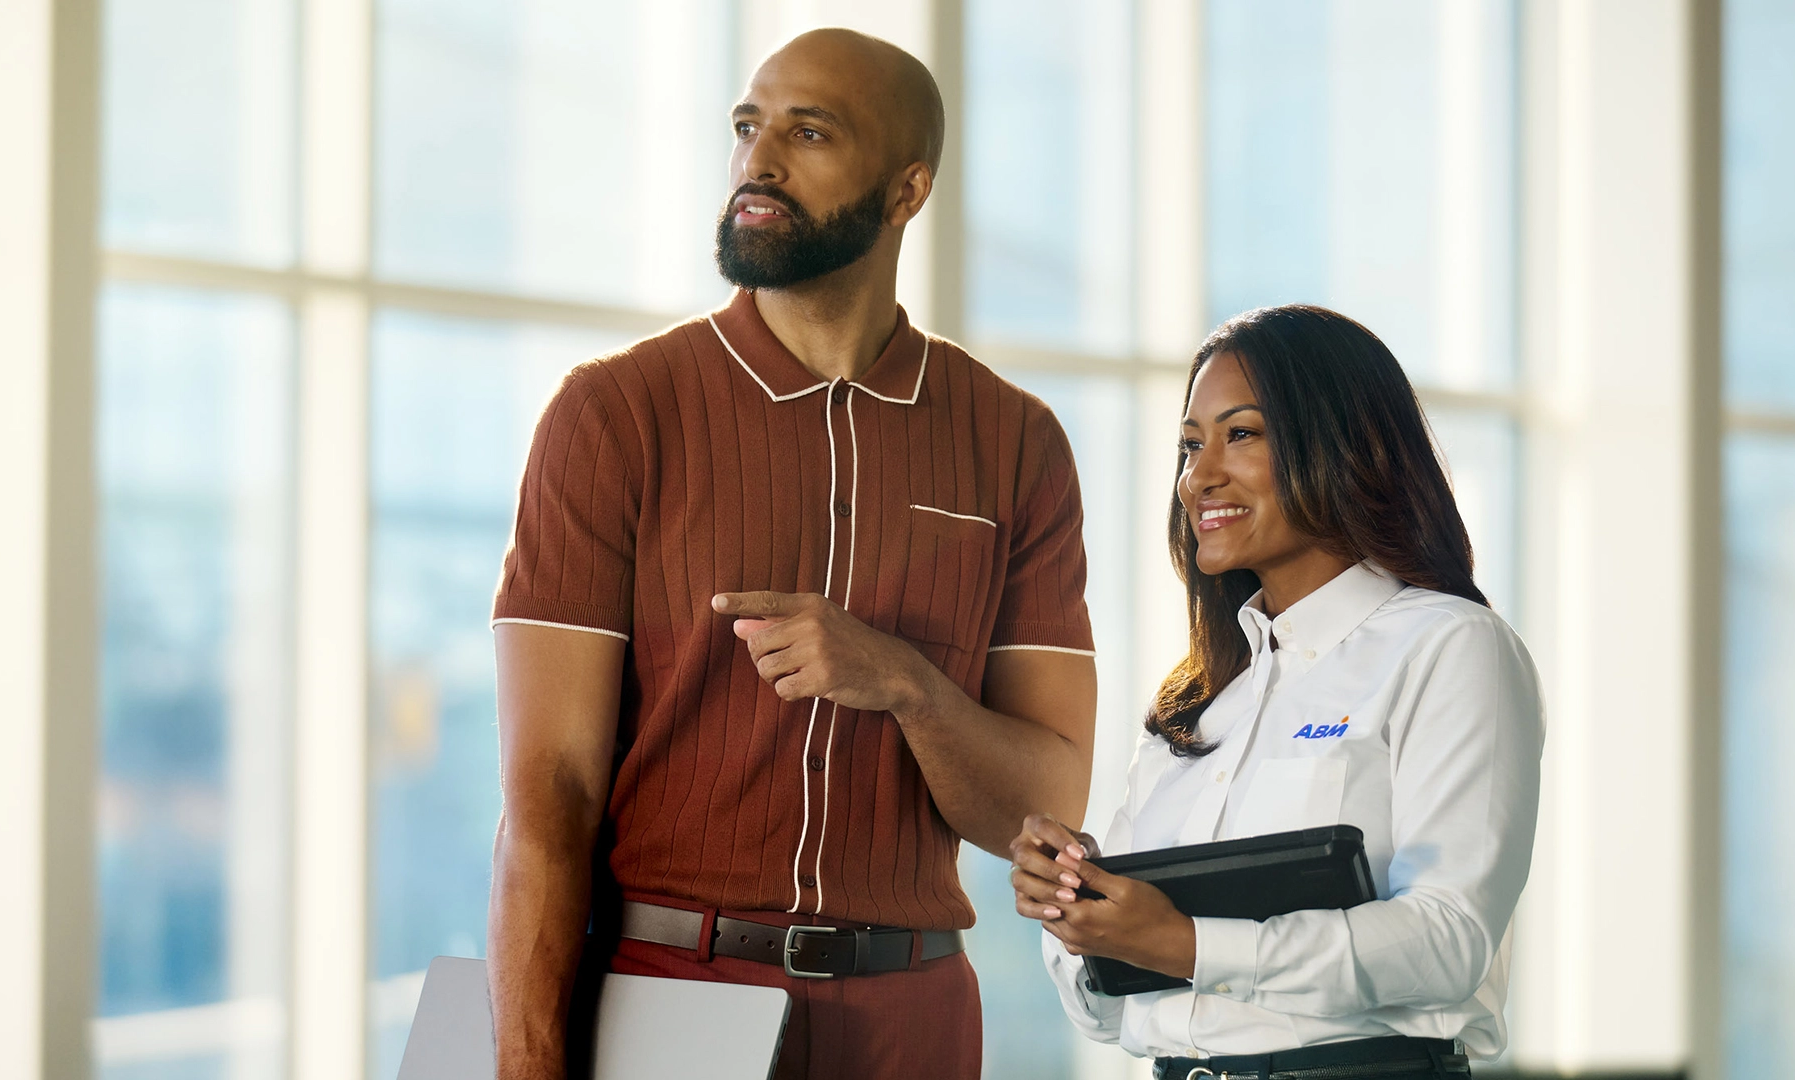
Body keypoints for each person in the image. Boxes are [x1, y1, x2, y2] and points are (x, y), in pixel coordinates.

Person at [488, 27, 1099, 1080]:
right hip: (669, 1006)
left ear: (907, 190)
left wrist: (904, 680)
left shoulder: (1016, 442)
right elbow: (550, 806)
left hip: (916, 1020)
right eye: (748, 127)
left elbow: (1041, 811)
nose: (758, 161)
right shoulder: (616, 416)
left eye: (808, 133)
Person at [1009, 305, 1543, 1080]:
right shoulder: (1196, 703)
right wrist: (1076, 907)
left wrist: (1183, 943)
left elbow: (1449, 938)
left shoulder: (1449, 646)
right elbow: (1106, 1012)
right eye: (1190, 445)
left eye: (1242, 433)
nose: (1200, 476)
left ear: (1344, 441)